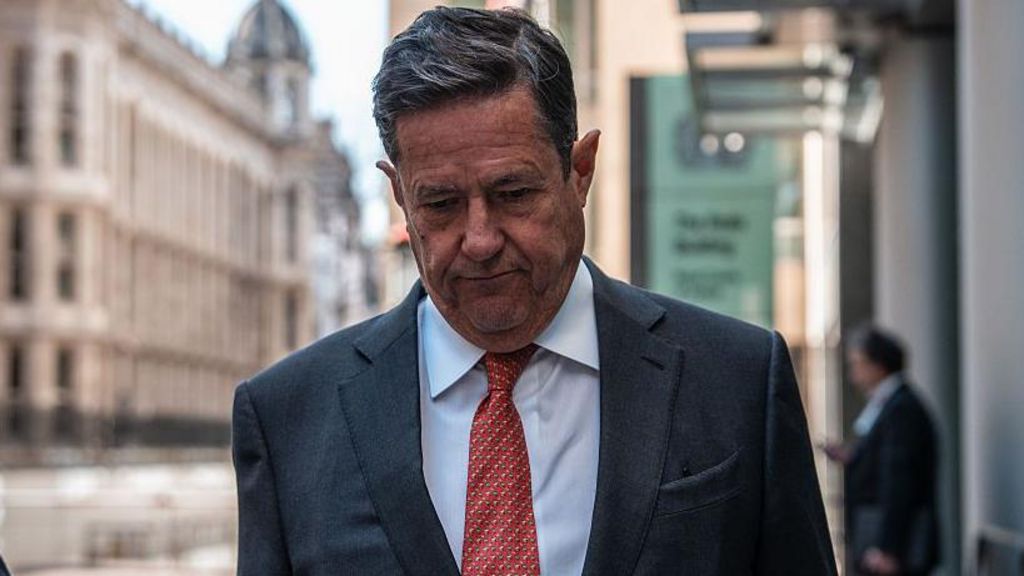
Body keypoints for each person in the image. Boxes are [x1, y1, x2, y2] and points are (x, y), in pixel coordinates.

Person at [232, 7, 836, 575]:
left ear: (580, 171)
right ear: (399, 196)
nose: (479, 239)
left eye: (513, 193)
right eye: (440, 205)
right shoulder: (289, 418)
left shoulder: (736, 381)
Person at [826, 325, 938, 575]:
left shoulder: (900, 409)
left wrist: (888, 547)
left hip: (895, 547)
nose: (853, 373)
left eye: (858, 363)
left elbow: (899, 479)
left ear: (878, 365)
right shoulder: (889, 404)